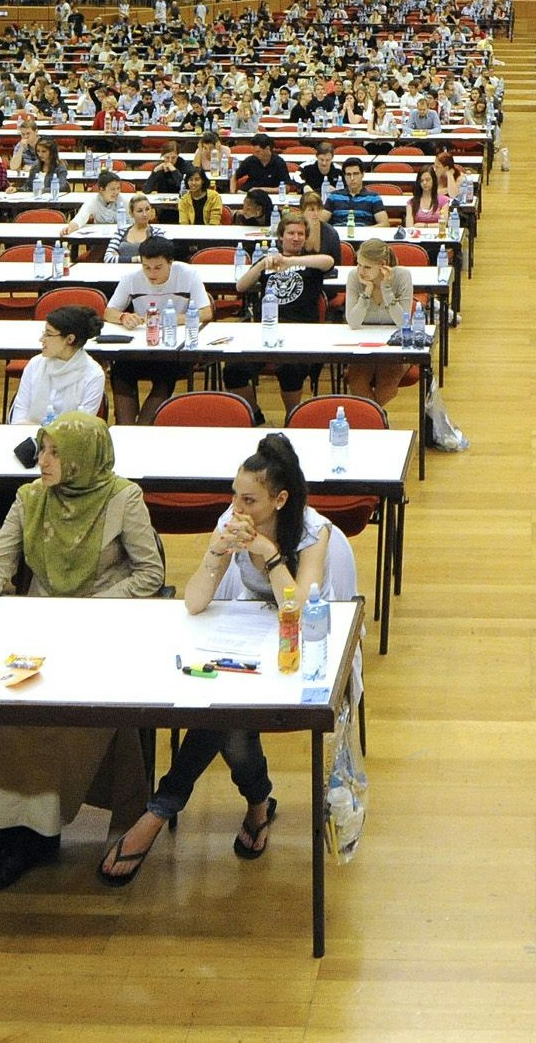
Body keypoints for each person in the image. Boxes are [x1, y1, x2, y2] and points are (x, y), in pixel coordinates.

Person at [99, 434, 351, 885]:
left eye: (249, 500)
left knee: (226, 720)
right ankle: (255, 803)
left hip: (304, 647)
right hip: (245, 640)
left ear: (279, 500)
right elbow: (195, 601)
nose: (237, 507)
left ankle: (162, 808)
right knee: (229, 720)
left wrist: (270, 556)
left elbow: (298, 609)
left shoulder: (314, 533)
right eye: (234, 495)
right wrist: (217, 551)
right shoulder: (230, 523)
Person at [0, 411, 164, 890]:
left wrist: (91, 606)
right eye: (42, 450)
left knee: (63, 714)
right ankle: (11, 832)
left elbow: (150, 574)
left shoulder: (123, 498)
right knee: (5, 702)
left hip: (101, 630)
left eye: (55, 453)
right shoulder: (30, 498)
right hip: (39, 628)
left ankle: (33, 833)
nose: (42, 461)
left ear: (84, 459)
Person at [231, 214, 335, 414]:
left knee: (290, 369)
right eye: (291, 233)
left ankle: (292, 416)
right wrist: (262, 264)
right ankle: (253, 413)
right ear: (280, 236)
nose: (296, 238)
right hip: (266, 329)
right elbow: (241, 286)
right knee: (233, 370)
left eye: (300, 234)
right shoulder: (269, 261)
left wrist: (290, 261)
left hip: (302, 330)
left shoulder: (311, 261)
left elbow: (328, 261)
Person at [104, 233, 203, 418]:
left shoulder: (189, 274)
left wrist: (171, 319)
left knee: (165, 375)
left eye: (158, 268)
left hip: (173, 349)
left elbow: (206, 312)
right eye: (146, 267)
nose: (151, 274)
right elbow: (109, 312)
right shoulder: (131, 278)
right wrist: (123, 317)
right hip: (140, 346)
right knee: (120, 372)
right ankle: (126, 428)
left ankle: (144, 427)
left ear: (170, 263)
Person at [341, 238, 417, 407]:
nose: (361, 271)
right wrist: (367, 291)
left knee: (387, 385)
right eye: (359, 264)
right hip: (362, 344)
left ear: (382, 265)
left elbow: (402, 323)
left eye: (367, 267)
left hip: (394, 345)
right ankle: (377, 419)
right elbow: (353, 322)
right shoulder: (354, 277)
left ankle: (372, 418)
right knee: (357, 381)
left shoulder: (402, 276)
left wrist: (386, 289)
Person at [4, 303, 107, 426]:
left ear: (70, 339)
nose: (41, 339)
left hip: (69, 438)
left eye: (48, 334)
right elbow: (20, 411)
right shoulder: (35, 364)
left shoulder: (94, 375)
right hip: (29, 435)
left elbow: (82, 427)